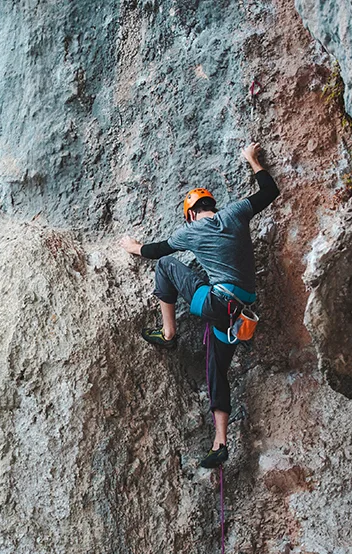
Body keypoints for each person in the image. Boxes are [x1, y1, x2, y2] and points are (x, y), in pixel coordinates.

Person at [119, 142, 280, 468]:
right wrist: (252, 159)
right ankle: (220, 441)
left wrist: (133, 247)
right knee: (216, 369)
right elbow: (269, 191)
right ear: (211, 206)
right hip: (241, 316)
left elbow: (157, 251)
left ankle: (168, 334)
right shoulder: (235, 213)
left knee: (166, 266)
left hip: (218, 304)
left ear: (191, 214)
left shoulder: (190, 231)